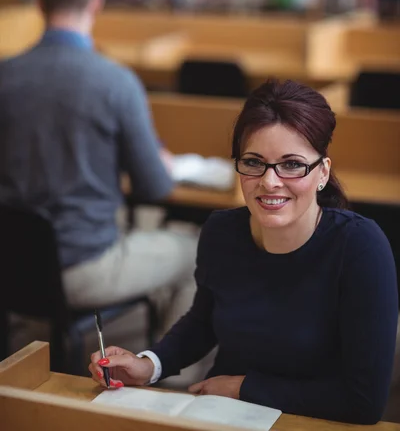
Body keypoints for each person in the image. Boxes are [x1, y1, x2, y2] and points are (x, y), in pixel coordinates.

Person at [89, 78, 398, 424]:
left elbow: (363, 401)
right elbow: (203, 321)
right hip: (224, 414)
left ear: (322, 172)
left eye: (292, 164)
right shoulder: (222, 231)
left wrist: (244, 388)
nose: (269, 181)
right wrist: (148, 365)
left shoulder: (360, 248)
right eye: (253, 162)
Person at [0, 0, 197, 327]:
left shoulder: (5, 75)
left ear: (39, 3)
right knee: (199, 254)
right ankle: (166, 376)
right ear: (96, 4)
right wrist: (159, 161)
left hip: (9, 262)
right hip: (81, 266)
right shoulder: (115, 82)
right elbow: (155, 187)